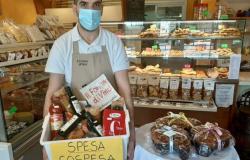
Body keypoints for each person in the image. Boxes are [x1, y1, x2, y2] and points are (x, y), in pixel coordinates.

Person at [43, 0, 135, 159]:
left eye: (96, 4)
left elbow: (124, 90)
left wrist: (131, 132)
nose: (90, 10)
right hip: (75, 130)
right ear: (75, 9)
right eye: (84, 4)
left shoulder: (113, 42)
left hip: (110, 126)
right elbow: (52, 93)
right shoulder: (62, 45)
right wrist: (46, 140)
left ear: (102, 9)